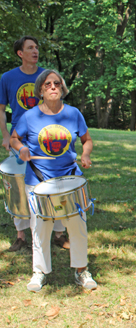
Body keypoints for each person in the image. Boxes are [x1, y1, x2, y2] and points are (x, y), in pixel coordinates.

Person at [10, 69, 96, 292]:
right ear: (40, 89)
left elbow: (87, 140)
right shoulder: (29, 116)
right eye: (47, 84)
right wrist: (21, 149)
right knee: (39, 227)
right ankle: (39, 272)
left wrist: (85, 154)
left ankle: (81, 270)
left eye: (57, 83)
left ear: (63, 88)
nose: (53, 87)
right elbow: (14, 138)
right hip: (38, 180)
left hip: (70, 178)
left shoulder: (74, 113)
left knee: (77, 226)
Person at [0, 36, 69, 252]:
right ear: (20, 53)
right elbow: (1, 110)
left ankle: (58, 233)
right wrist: (4, 135)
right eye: (30, 48)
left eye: (37, 48)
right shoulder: (7, 78)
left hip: (47, 138)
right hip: (19, 139)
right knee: (19, 187)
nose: (35, 51)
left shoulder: (47, 76)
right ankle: (21, 235)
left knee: (54, 184)